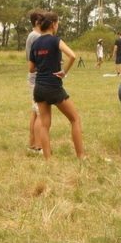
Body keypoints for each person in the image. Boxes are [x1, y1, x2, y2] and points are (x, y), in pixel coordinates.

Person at [29, 11, 85, 159]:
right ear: (53, 24)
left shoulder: (35, 43)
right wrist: (64, 71)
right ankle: (81, 156)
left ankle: (48, 159)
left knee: (44, 125)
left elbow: (31, 68)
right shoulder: (55, 40)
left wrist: (43, 64)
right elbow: (72, 55)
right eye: (58, 23)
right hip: (53, 86)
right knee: (75, 119)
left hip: (39, 88)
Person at [24, 9, 44, 155]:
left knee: (35, 112)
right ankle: (38, 146)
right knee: (40, 112)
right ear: (37, 22)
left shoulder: (32, 35)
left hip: (33, 78)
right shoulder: (37, 37)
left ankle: (32, 143)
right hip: (38, 77)